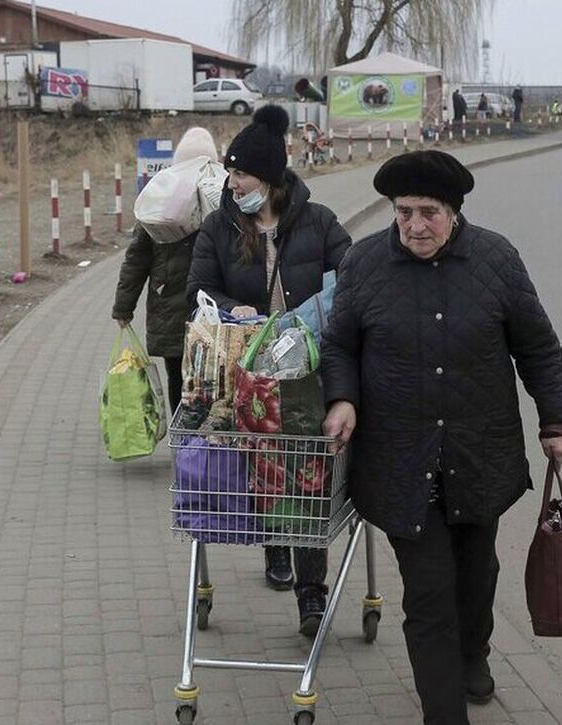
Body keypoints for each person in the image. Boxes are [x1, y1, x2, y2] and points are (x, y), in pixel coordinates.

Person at [321, 150, 562, 724]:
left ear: (454, 212)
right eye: (403, 212)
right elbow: (340, 344)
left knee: (476, 572)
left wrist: (557, 420)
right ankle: (444, 711)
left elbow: (537, 346)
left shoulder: (496, 259)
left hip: (477, 450)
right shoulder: (363, 265)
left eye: (428, 212)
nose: (414, 225)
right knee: (430, 591)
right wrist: (342, 398)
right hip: (397, 458)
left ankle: (473, 655)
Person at [186, 105, 353, 635]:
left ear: (270, 177)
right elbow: (197, 289)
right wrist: (227, 305)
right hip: (246, 372)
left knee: (306, 471)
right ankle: (273, 545)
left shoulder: (319, 222)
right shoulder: (218, 225)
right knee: (263, 463)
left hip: (306, 372)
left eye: (241, 174)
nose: (232, 182)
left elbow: (352, 283)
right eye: (230, 173)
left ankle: (311, 595)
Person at [113, 127, 219, 412]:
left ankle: (181, 440)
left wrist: (124, 307)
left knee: (177, 374)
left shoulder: (158, 201)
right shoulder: (221, 196)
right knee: (211, 375)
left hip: (168, 304)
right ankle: (205, 439)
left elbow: (137, 258)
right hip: (211, 308)